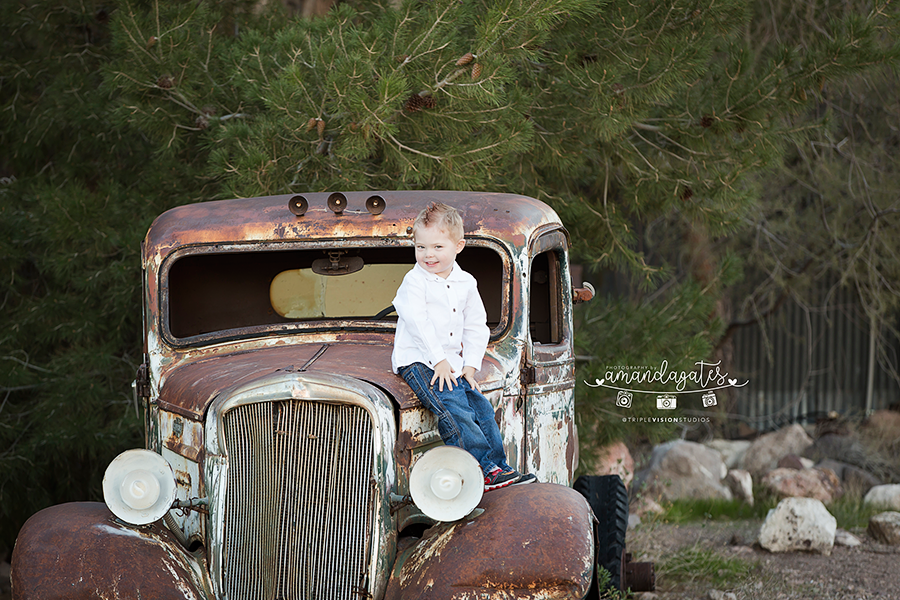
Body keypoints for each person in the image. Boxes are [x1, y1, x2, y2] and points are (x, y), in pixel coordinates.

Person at [391, 202, 536, 491]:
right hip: (419, 358)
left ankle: (498, 467)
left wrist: (470, 366)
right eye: (421, 247)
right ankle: (477, 469)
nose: (428, 255)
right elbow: (418, 323)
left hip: (452, 362)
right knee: (453, 407)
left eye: (437, 247)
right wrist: (439, 361)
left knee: (480, 407)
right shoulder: (414, 281)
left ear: (458, 246)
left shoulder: (466, 282)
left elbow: (476, 325)